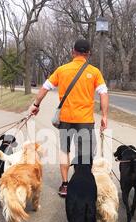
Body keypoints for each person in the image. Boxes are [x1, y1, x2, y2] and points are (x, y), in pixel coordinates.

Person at [28, 39, 109, 197]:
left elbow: (45, 88)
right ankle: (84, 184)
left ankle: (65, 185)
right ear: (88, 54)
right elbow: (104, 94)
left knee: (64, 151)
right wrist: (104, 116)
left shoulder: (62, 70)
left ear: (73, 52)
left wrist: (36, 105)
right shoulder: (95, 72)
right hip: (85, 120)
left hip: (65, 120)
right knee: (85, 153)